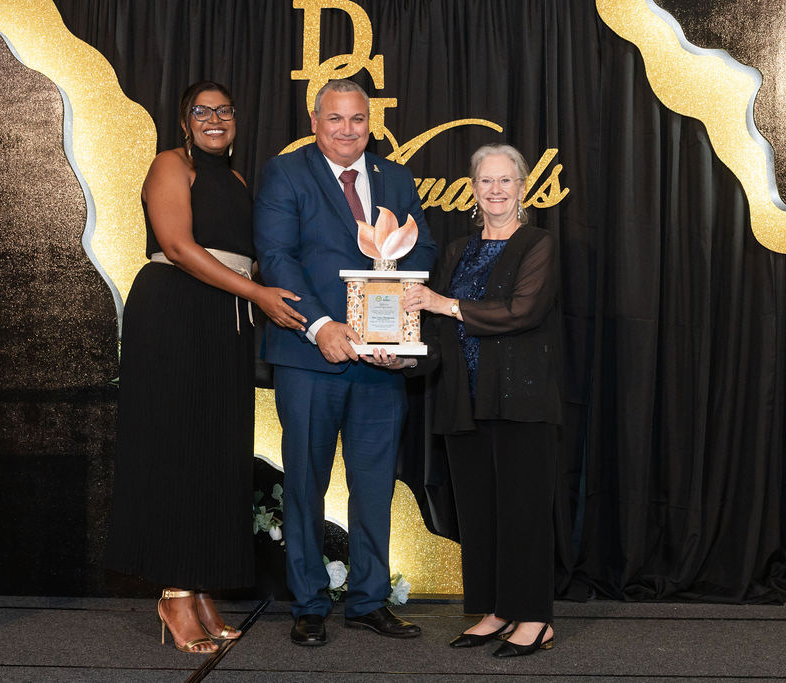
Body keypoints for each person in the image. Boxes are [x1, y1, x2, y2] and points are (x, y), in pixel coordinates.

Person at [105, 80, 306, 654]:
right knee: (176, 443)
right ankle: (173, 592)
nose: (215, 119)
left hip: (225, 319)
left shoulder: (240, 180)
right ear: (185, 119)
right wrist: (258, 293)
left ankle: (199, 585)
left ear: (236, 118)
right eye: (202, 111)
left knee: (216, 450)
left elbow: (259, 255)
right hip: (175, 310)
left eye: (224, 110)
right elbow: (177, 245)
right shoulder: (171, 163)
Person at [254, 79, 437, 646]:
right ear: (315, 121)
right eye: (336, 119)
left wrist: (400, 327)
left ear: (370, 122)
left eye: (358, 119)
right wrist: (320, 326)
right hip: (311, 357)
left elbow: (423, 250)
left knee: (375, 484)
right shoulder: (286, 173)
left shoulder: (396, 178)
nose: (348, 130)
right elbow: (276, 256)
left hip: (380, 364)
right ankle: (309, 604)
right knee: (306, 485)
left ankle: (367, 600)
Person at [384, 144, 562, 657]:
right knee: (479, 512)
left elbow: (521, 311)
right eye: (486, 181)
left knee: (523, 510)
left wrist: (444, 303)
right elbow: (438, 334)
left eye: (506, 181)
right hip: (463, 401)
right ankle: (495, 610)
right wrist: (401, 358)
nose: (496, 190)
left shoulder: (538, 245)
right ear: (473, 190)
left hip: (521, 400)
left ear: (522, 189)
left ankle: (534, 618)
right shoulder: (457, 251)